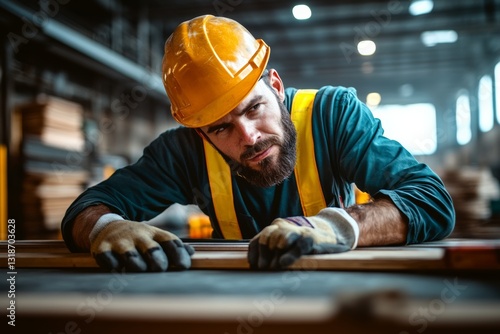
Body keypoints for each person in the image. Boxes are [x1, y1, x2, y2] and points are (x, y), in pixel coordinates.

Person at [61, 14, 455, 272]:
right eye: (220, 128)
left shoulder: (333, 116)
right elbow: (85, 209)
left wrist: (336, 226)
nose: (248, 136)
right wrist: (106, 227)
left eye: (254, 108)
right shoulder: (183, 152)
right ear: (200, 131)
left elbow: (431, 201)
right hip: (230, 304)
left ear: (277, 86)